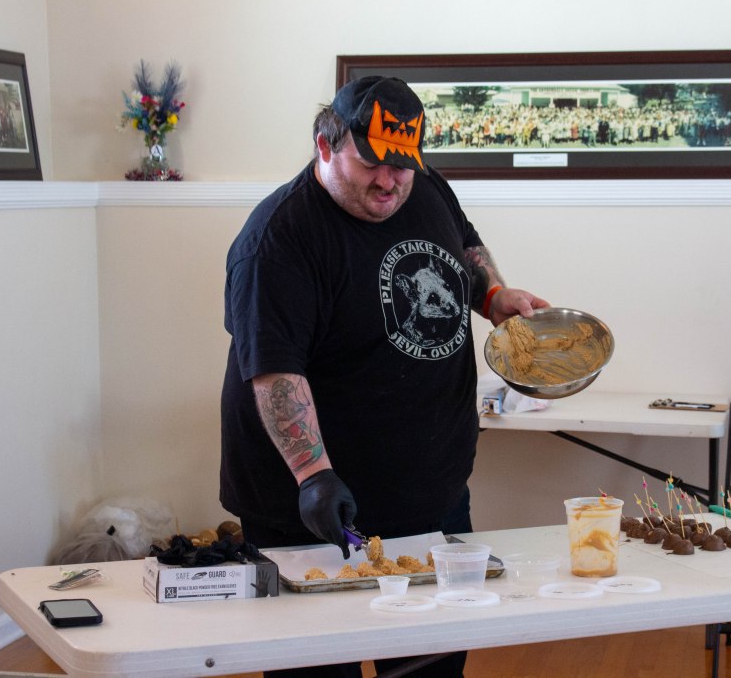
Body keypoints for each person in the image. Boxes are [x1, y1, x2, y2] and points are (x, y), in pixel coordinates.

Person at [220, 76, 549, 678]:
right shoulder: (278, 240)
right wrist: (313, 475)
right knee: (321, 665)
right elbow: (273, 373)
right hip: (314, 505)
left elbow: (463, 248)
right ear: (325, 145)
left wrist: (494, 295)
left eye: (403, 166)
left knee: (429, 663)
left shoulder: (421, 186)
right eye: (372, 163)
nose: (390, 182)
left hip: (431, 488)